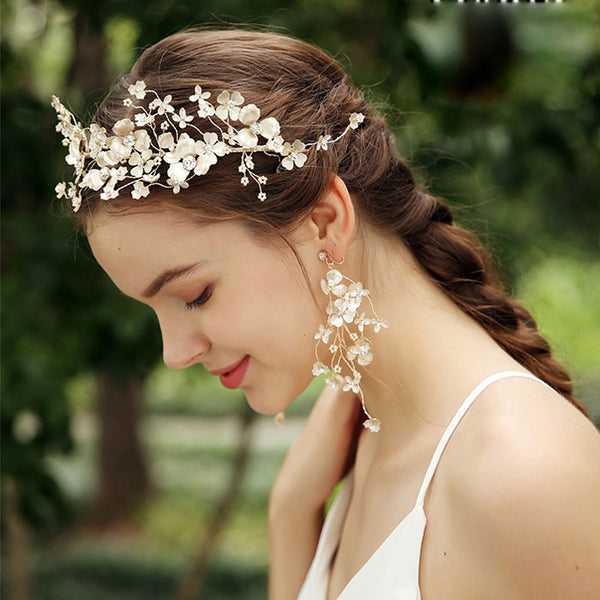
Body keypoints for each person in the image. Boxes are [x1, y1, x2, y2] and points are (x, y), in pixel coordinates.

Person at [52, 29, 600, 600]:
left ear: (324, 221)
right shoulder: (369, 438)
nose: (174, 353)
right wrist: (292, 516)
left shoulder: (522, 472)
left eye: (195, 295)